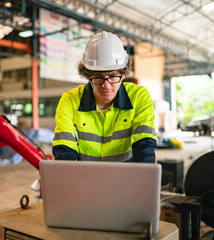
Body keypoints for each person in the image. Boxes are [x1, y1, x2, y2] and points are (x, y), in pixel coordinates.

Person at [52, 31, 157, 163]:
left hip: (124, 174)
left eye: (113, 76)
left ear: (123, 74)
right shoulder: (70, 99)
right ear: (87, 75)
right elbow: (65, 146)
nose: (106, 86)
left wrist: (144, 175)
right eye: (98, 77)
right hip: (86, 175)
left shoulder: (138, 96)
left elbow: (144, 143)